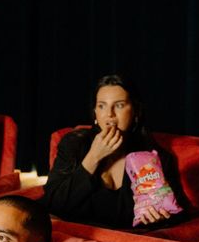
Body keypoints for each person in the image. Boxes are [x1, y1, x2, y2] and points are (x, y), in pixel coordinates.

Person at [42, 73, 188, 229]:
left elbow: (178, 213)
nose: (109, 114)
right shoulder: (74, 144)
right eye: (102, 106)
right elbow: (52, 203)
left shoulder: (153, 158)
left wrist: (160, 219)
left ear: (135, 112)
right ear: (95, 113)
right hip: (74, 237)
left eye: (119, 105)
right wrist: (93, 157)